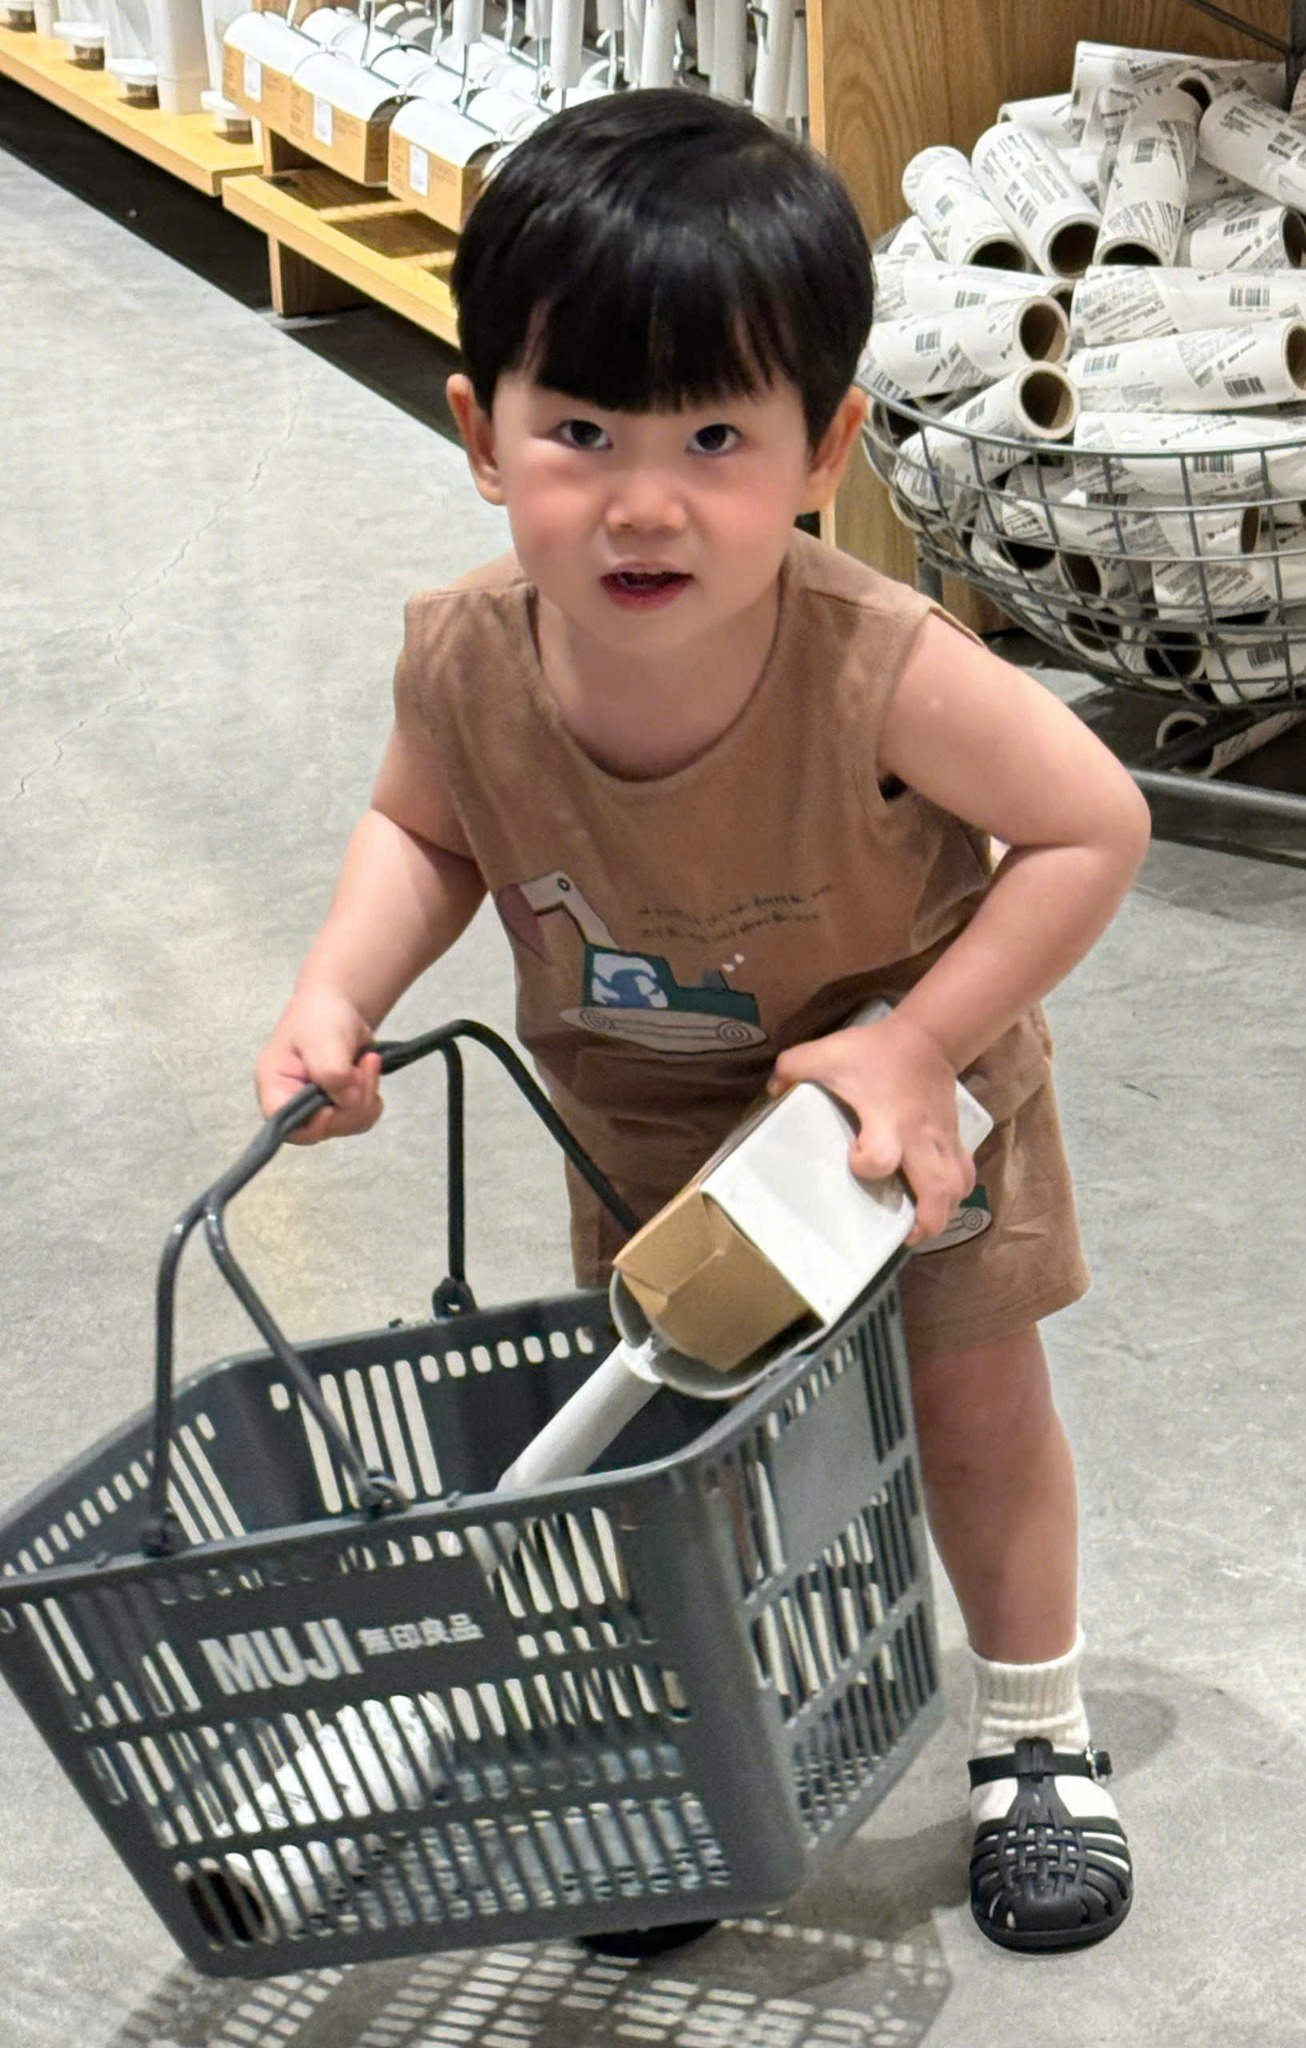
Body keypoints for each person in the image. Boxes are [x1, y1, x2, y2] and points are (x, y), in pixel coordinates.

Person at [255, 89, 1149, 1955]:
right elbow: (426, 831)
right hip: (656, 1142)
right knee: (685, 1463)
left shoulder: (877, 667)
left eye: (716, 438)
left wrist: (920, 1041)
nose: (643, 501)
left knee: (972, 1410)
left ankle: (1033, 1735)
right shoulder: (463, 661)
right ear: (480, 435)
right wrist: (338, 993)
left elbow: (1089, 826)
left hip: (909, 1133)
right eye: (580, 431)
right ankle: (711, 1749)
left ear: (825, 450)